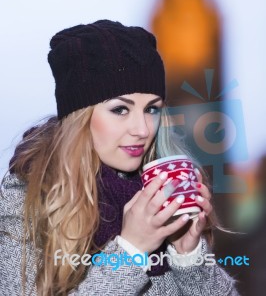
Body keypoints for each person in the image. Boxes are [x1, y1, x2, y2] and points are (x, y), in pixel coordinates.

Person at [0, 20, 240, 295]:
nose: (142, 130)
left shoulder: (158, 191)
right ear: (80, 117)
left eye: (151, 109)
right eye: (120, 110)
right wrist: (131, 251)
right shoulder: (26, 200)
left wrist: (188, 255)